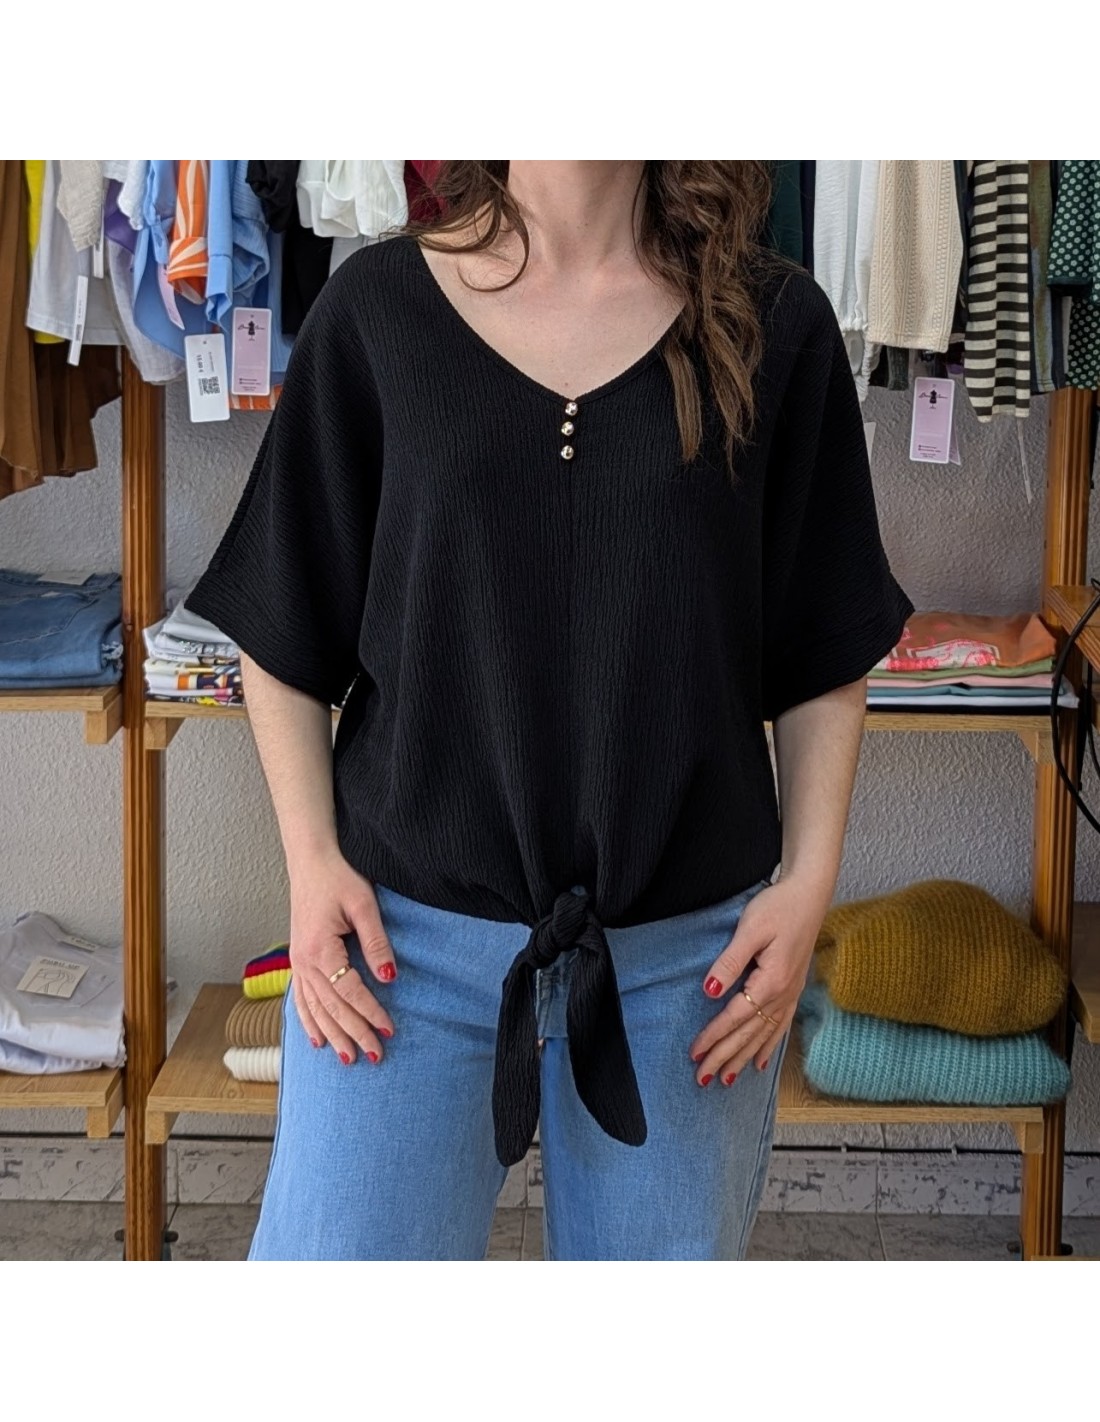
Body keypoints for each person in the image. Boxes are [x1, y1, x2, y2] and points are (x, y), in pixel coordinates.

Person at [186, 160, 914, 1261]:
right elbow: (281, 625)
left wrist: (809, 885)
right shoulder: (376, 312)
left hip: (688, 973)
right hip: (399, 958)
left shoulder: (772, 325)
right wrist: (309, 866)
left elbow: (823, 650)